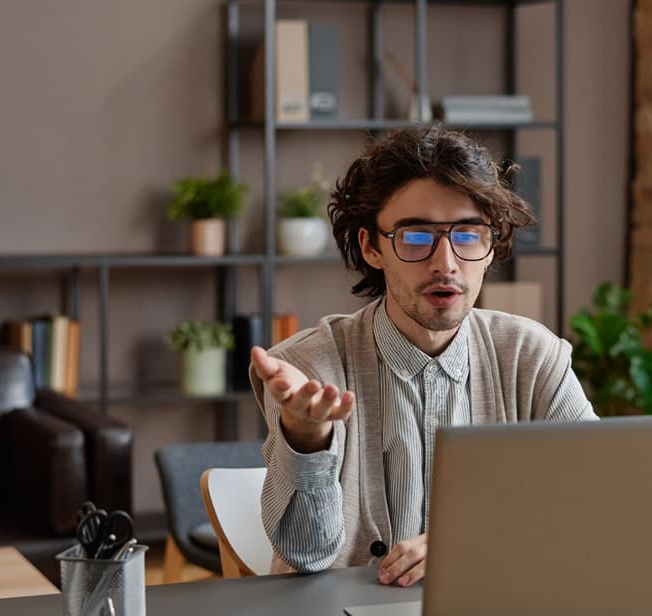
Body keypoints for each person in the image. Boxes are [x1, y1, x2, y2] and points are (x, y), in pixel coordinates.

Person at [249, 125, 596, 584]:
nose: (446, 263)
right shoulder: (310, 370)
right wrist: (308, 439)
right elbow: (306, 555)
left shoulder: (532, 358)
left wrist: (470, 544)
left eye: (469, 235)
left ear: (491, 247)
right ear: (372, 247)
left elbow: (594, 506)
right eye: (416, 238)